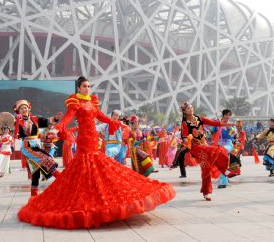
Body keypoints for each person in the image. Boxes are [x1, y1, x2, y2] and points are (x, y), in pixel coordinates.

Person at [18, 76, 175, 229]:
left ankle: (99, 198)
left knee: (99, 168)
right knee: (83, 169)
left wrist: (114, 122)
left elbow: (102, 117)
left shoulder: (92, 102)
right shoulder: (75, 102)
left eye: (88, 86)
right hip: (84, 141)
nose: (87, 88)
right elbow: (67, 119)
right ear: (79, 88)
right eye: (84, 86)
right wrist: (57, 128)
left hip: (93, 138)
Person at [180, 102, 230, 201]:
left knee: (206, 169)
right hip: (196, 148)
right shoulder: (185, 123)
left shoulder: (200, 118)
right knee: (215, 149)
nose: (191, 109)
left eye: (191, 107)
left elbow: (213, 123)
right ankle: (224, 170)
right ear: (185, 111)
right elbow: (184, 136)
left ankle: (205, 192)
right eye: (188, 108)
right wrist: (186, 141)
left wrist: (225, 124)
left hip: (204, 146)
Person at [14, 99, 62, 197]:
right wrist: (18, 121)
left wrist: (55, 118)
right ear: (18, 111)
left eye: (25, 108)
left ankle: (34, 198)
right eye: (21, 108)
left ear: (29, 109)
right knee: (47, 160)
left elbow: (47, 121)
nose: (23, 110)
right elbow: (19, 134)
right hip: (28, 147)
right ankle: (63, 180)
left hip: (36, 146)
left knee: (35, 173)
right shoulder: (18, 122)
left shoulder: (35, 119)